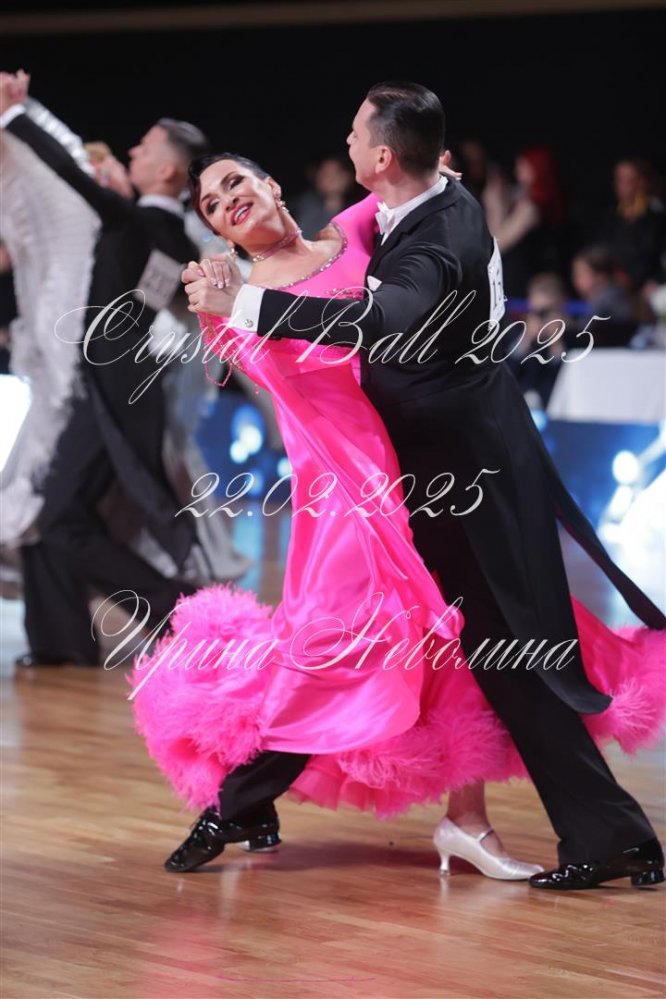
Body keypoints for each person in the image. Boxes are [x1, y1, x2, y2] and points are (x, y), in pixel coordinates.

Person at [196, 82, 665, 891]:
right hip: (394, 480)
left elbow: (385, 318)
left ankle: (603, 831)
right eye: (212, 201)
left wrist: (247, 298)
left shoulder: (439, 229)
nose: (345, 143)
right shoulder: (398, 210)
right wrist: (228, 299)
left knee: (495, 651)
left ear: (382, 155)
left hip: (464, 474)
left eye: (356, 135)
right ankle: (598, 831)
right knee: (450, 652)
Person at [0, 70, 207, 667]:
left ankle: (174, 609)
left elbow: (65, 171)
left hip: (108, 398)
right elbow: (146, 306)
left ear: (167, 171)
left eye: (144, 148)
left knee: (58, 516)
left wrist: (15, 114)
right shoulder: (173, 240)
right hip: (117, 392)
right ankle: (61, 641)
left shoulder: (133, 223)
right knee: (51, 511)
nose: (133, 152)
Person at [483, 145, 566, 297]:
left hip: (528, 279)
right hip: (521, 274)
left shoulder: (532, 206)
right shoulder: (523, 199)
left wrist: (494, 205)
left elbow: (498, 244)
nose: (517, 172)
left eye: (522, 167)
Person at [571, 245, 637, 347]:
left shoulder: (609, 297)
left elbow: (582, 330)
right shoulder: (608, 295)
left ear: (601, 275)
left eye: (581, 274)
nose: (575, 279)